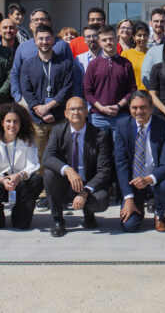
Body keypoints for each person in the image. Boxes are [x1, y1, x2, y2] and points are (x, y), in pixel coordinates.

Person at [41, 96, 113, 237]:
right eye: (72, 109)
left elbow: (104, 170)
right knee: (49, 174)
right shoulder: (58, 131)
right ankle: (58, 220)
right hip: (66, 182)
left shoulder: (99, 135)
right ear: (66, 114)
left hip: (88, 183)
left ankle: (89, 213)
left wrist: (85, 191)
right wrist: (68, 170)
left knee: (101, 200)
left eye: (80, 109)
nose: (76, 112)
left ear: (87, 112)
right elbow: (47, 158)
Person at [113, 91, 165, 232]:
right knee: (129, 226)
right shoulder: (122, 126)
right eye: (134, 108)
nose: (139, 111)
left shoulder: (164, 126)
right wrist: (128, 198)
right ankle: (138, 209)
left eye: (143, 107)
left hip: (154, 178)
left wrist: (148, 179)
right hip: (133, 182)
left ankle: (160, 214)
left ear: (151, 108)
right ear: (129, 108)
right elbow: (121, 164)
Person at [0, 102, 43, 229]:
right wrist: (2, 179)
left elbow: (33, 164)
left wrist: (19, 175)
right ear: (2, 122)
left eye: (15, 121)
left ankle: (20, 211)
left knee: (37, 180)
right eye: (8, 121)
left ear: (21, 123)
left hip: (19, 180)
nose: (12, 125)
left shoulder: (27, 139)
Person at [19, 24, 76, 161]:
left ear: (54, 40)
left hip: (60, 119)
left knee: (61, 156)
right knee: (38, 157)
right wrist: (41, 111)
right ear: (35, 40)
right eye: (41, 39)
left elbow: (67, 88)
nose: (44, 42)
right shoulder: (28, 64)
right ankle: (41, 183)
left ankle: (60, 183)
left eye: (48, 38)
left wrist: (47, 107)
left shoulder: (65, 63)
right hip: (37, 120)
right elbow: (26, 90)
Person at [9, 9, 74, 102]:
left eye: (43, 19)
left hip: (57, 102)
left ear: (49, 23)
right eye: (36, 20)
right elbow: (15, 73)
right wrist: (18, 97)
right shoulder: (23, 47)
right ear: (30, 25)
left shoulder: (62, 45)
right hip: (28, 102)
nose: (39, 22)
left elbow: (70, 73)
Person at [83, 25, 136, 134]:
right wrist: (101, 108)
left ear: (117, 39)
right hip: (98, 117)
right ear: (99, 42)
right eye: (104, 40)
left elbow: (132, 90)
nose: (108, 42)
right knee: (98, 151)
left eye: (111, 38)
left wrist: (118, 106)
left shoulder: (126, 64)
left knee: (120, 151)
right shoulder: (93, 65)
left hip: (121, 116)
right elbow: (87, 92)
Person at [121, 22, 150, 92]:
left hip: (149, 96)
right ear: (133, 37)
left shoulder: (152, 54)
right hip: (132, 95)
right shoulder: (126, 54)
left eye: (145, 35)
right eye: (139, 35)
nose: (142, 38)